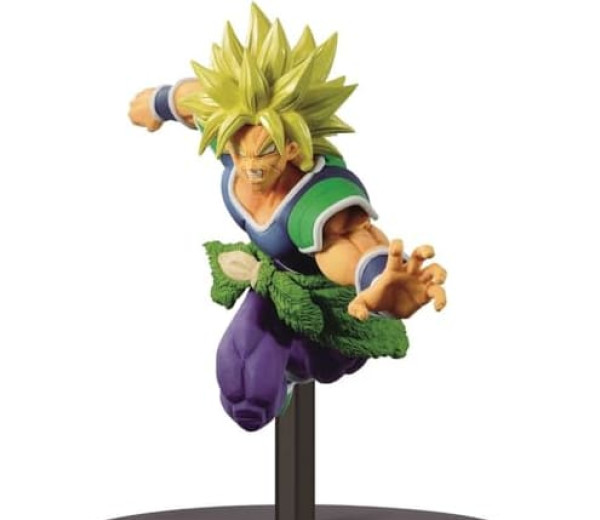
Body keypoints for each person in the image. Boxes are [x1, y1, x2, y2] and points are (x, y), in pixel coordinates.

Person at [128, 3, 447, 432]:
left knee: (282, 373)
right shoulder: (234, 141)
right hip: (271, 274)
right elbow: (197, 99)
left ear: (293, 148)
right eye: (239, 149)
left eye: (265, 153)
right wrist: (159, 102)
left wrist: (379, 284)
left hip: (323, 298)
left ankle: (298, 366)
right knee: (242, 385)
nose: (249, 166)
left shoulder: (313, 202)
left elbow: (353, 243)